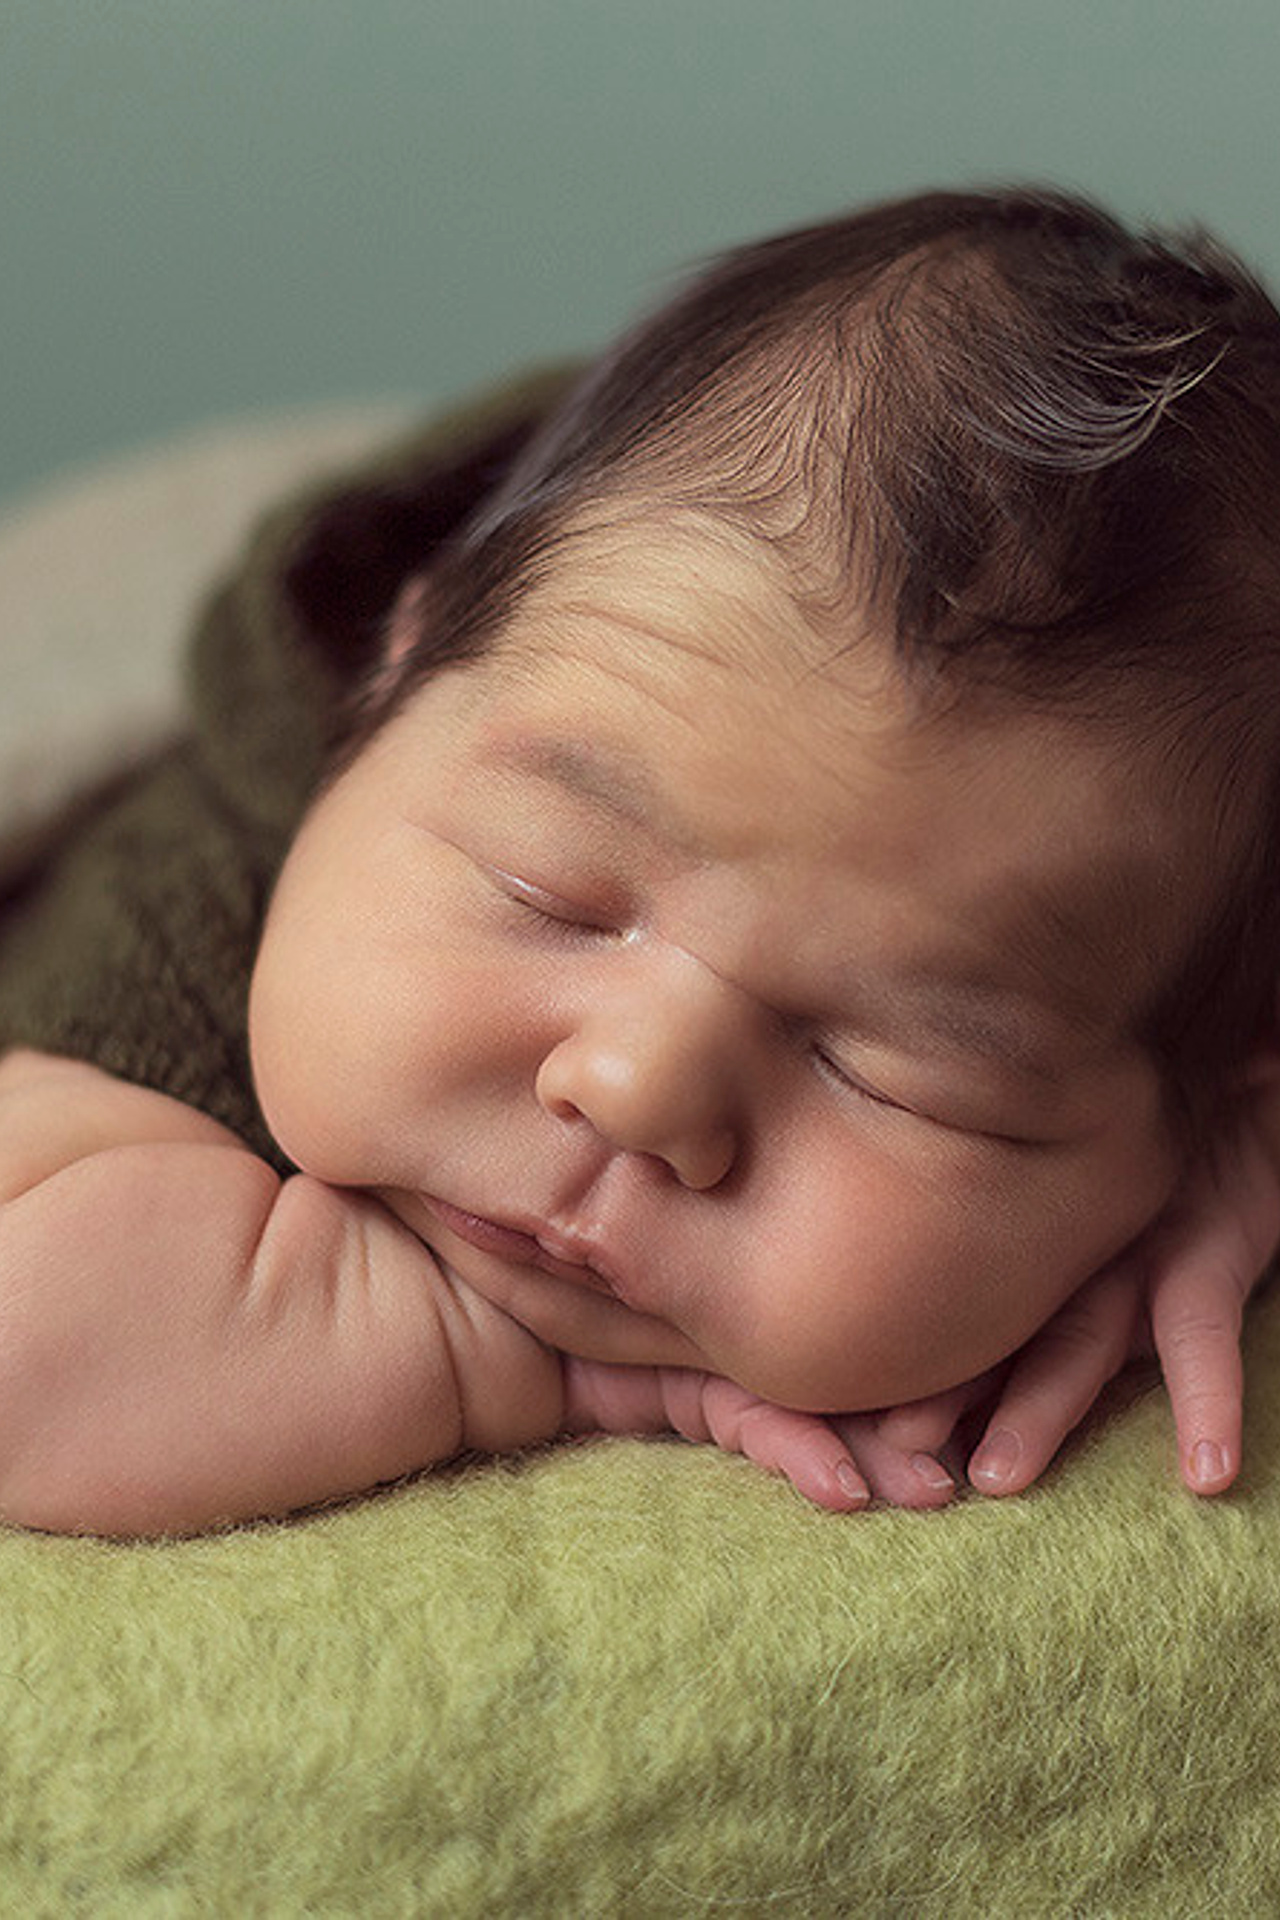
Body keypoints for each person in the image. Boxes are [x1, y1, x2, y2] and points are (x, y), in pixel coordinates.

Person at [1, 185, 1279, 1538]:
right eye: (549, 896)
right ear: (393, 669)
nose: (634, 1089)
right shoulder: (184, 923)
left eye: (886, 1072)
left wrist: (1239, 1147)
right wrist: (483, 1352)